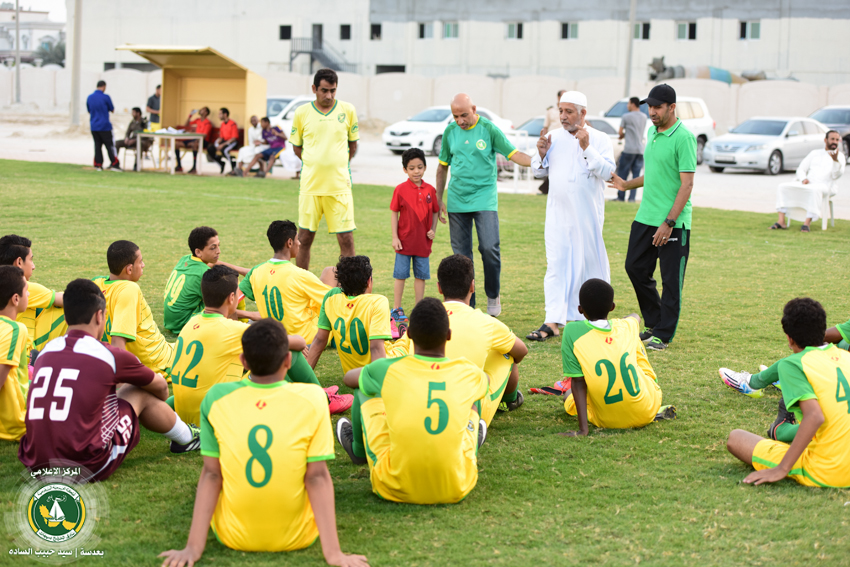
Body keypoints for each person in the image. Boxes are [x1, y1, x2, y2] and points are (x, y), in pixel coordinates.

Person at [159, 319, 370, 567]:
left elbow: (211, 475)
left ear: (244, 362)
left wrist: (193, 548)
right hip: (299, 536)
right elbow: (317, 477)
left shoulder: (216, 398)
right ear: (288, 361)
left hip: (231, 535)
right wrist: (334, 554)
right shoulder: (313, 399)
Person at [18, 279, 199, 482]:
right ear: (99, 315)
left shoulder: (45, 353)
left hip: (35, 462)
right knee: (139, 390)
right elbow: (162, 390)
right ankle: (187, 438)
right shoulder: (109, 354)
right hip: (82, 465)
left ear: (67, 316)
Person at [335, 298, 489, 505]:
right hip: (456, 486)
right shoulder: (467, 371)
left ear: (408, 335)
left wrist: (374, 376)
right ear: (448, 335)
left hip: (394, 486)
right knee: (473, 397)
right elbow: (485, 381)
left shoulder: (388, 369)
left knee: (363, 390)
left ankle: (358, 451)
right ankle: (469, 441)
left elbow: (349, 378)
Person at [169, 265, 350, 424]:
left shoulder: (191, 323)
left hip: (185, 409)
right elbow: (298, 342)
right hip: (218, 412)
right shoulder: (232, 330)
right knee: (288, 354)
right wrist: (295, 340)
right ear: (232, 298)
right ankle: (322, 399)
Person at [726, 298, 850, 488]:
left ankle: (780, 429)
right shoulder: (845, 357)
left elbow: (815, 416)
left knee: (736, 438)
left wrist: (782, 469)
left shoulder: (792, 364)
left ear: (789, 338)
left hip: (830, 471)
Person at [608, 84, 697, 351]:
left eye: (658, 107)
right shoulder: (652, 131)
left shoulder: (685, 138)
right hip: (645, 216)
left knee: (671, 282)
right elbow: (657, 174)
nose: (652, 111)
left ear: (672, 107)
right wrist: (626, 185)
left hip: (673, 222)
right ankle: (655, 321)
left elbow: (686, 185)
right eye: (650, 106)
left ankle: (663, 334)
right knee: (634, 267)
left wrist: (669, 223)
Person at [528, 91, 615, 342]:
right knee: (556, 265)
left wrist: (587, 148)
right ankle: (552, 321)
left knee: (591, 266)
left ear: (583, 113)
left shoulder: (599, 138)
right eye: (561, 111)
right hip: (557, 216)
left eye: (569, 111)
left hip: (587, 218)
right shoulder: (553, 137)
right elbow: (537, 171)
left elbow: (609, 172)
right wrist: (542, 153)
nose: (563, 116)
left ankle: (595, 319)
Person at [436, 93, 533, 316]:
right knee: (461, 256)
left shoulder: (489, 129)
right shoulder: (450, 131)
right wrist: (439, 198)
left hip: (484, 197)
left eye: (464, 115)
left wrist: (539, 161)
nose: (460, 121)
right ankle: (468, 303)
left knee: (489, 248)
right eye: (455, 116)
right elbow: (442, 167)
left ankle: (493, 293)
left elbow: (514, 154)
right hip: (458, 200)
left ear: (474, 109)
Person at [558, 279, 674, 437]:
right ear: (612, 307)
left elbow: (578, 382)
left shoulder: (571, 331)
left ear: (580, 309)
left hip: (606, 420)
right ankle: (649, 394)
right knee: (634, 341)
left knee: (568, 395)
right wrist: (623, 320)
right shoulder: (626, 326)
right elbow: (635, 316)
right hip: (645, 411)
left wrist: (583, 430)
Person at [436, 254, 526, 425]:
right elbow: (521, 351)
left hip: (423, 401)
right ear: (472, 286)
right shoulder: (486, 322)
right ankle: (511, 400)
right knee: (506, 351)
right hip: (470, 408)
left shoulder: (423, 317)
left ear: (440, 288)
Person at [290, 68, 360, 269]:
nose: (329, 95)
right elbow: (296, 146)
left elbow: (353, 145)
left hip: (339, 187)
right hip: (311, 186)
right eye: (324, 90)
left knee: (346, 239)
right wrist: (314, 162)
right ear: (314, 89)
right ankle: (302, 286)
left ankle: (350, 290)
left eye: (333, 91)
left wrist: (337, 164)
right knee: (303, 238)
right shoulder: (301, 112)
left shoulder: (348, 110)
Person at [307, 255, 408, 374]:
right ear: (369, 281)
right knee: (412, 336)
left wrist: (303, 379)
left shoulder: (331, 296)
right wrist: (375, 385)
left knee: (398, 340)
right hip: (384, 366)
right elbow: (376, 348)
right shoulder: (377, 302)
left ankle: (397, 333)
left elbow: (319, 340)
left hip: (352, 372)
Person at [240, 221, 337, 345]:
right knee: (333, 276)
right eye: (297, 239)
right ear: (290, 242)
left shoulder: (256, 273)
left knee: (329, 272)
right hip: (305, 338)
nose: (300, 243)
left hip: (274, 336)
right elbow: (334, 302)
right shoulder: (300, 275)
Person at [92, 240, 174, 375]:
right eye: (140, 262)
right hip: (158, 363)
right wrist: (119, 386)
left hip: (163, 349)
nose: (143, 265)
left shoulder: (96, 283)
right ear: (129, 269)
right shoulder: (129, 289)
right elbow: (118, 341)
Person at [163, 226, 252, 334]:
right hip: (186, 324)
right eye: (213, 248)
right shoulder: (204, 273)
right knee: (232, 286)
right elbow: (223, 307)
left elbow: (212, 263)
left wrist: (241, 270)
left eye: (218, 246)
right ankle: (241, 325)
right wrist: (251, 314)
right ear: (198, 252)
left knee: (227, 281)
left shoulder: (186, 258)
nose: (218, 251)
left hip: (172, 321)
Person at [390, 148, 439, 326]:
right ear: (405, 170)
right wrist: (395, 237)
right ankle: (396, 309)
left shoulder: (430, 190)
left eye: (419, 167)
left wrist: (433, 229)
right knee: (400, 275)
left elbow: (435, 211)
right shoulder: (400, 190)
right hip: (403, 242)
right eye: (411, 168)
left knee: (421, 276)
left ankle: (419, 309)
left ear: (425, 167)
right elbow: (394, 213)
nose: (416, 171)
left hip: (423, 243)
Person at [0, 234, 67, 352]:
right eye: (31, 259)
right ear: (19, 262)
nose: (34, 266)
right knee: (70, 309)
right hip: (23, 355)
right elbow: (69, 299)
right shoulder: (22, 287)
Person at [771, 130, 845, 232]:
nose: (835, 142)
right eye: (832, 139)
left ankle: (806, 223)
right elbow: (801, 169)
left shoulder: (840, 156)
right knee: (782, 186)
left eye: (837, 140)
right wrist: (803, 179)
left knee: (814, 190)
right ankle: (781, 221)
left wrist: (835, 161)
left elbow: (836, 175)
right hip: (809, 183)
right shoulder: (815, 153)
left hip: (826, 186)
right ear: (825, 140)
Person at [0, 266, 28, 442]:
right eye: (27, 291)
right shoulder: (14, 329)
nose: (29, 295)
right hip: (15, 427)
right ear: (16, 298)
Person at [616, 97, 647, 202]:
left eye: (628, 104)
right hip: (640, 150)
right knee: (636, 176)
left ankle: (621, 197)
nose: (627, 106)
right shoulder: (644, 117)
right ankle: (632, 198)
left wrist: (623, 135)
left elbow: (620, 132)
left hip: (629, 149)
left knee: (623, 174)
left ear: (633, 104)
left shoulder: (626, 116)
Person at [86, 80, 120, 171]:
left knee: (97, 146)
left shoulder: (90, 97)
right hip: (105, 126)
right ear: (104, 87)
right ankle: (114, 163)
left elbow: (89, 110)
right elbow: (112, 109)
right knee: (109, 146)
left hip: (94, 126)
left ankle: (98, 164)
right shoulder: (106, 97)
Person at [538, 89, 567, 195]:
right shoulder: (551, 111)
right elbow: (545, 126)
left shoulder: (570, 110)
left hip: (565, 141)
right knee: (551, 165)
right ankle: (546, 188)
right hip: (552, 142)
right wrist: (543, 140)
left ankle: (545, 188)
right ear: (558, 97)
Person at [174, 107, 213, 174]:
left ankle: (194, 167)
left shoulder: (208, 123)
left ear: (206, 113)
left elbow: (205, 135)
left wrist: (195, 136)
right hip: (194, 139)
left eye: (203, 110)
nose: (200, 110)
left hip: (203, 141)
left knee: (194, 144)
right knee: (177, 144)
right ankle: (179, 166)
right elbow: (186, 124)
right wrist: (190, 115)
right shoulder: (198, 120)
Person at [114, 107, 151, 171]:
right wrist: (126, 138)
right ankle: (114, 162)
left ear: (138, 113)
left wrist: (134, 140)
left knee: (140, 144)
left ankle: (136, 165)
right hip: (132, 140)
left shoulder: (144, 122)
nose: (132, 114)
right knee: (117, 143)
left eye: (133, 112)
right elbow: (128, 132)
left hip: (142, 141)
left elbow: (147, 134)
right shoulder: (132, 122)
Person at [207, 108, 239, 174]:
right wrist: (218, 143)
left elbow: (234, 138)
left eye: (220, 114)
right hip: (224, 142)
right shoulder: (222, 124)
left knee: (225, 151)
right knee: (210, 149)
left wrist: (222, 145)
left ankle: (234, 168)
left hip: (231, 142)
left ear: (225, 114)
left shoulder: (232, 123)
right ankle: (221, 163)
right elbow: (221, 137)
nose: (219, 116)